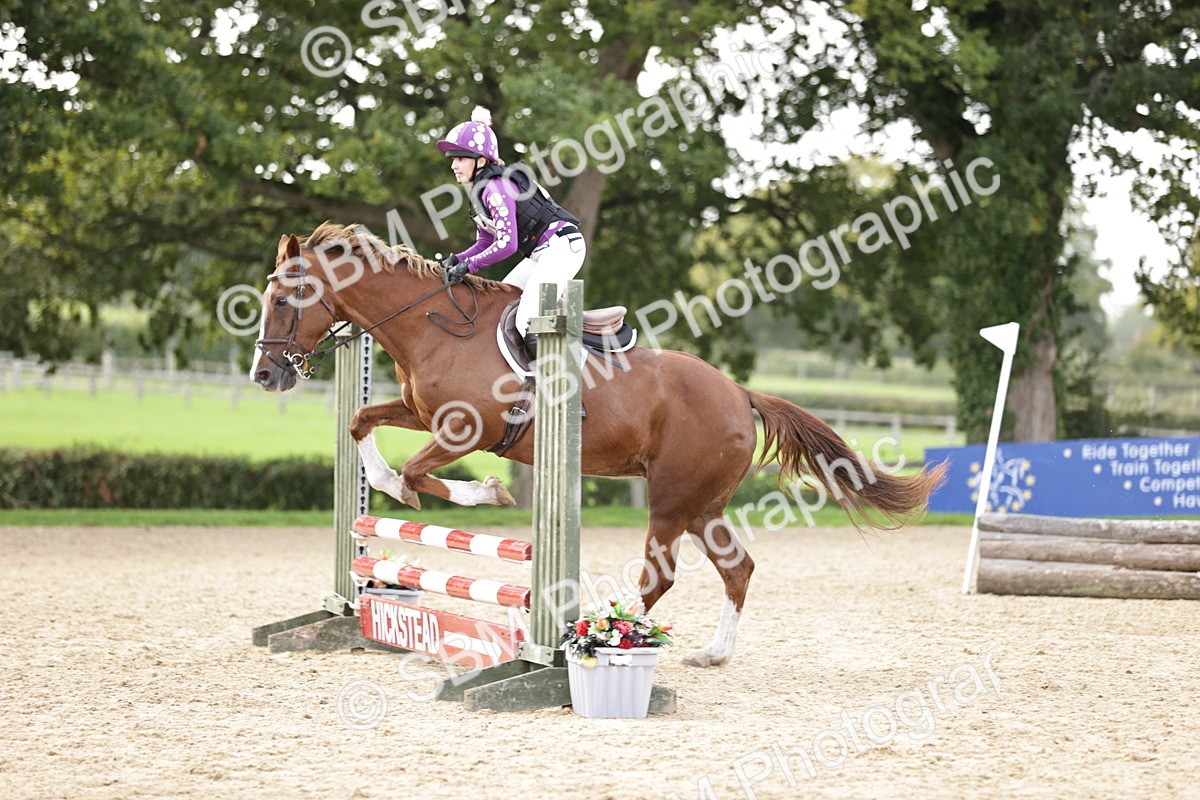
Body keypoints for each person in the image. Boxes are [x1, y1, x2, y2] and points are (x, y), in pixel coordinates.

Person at [435, 106, 585, 358]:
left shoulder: (495, 189)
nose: (454, 165)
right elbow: (485, 242)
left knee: (525, 319)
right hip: (542, 253)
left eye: (460, 159)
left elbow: (507, 245)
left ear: (481, 161)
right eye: (453, 160)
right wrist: (458, 259)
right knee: (500, 306)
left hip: (562, 248)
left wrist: (468, 267)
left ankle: (561, 375)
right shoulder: (479, 192)